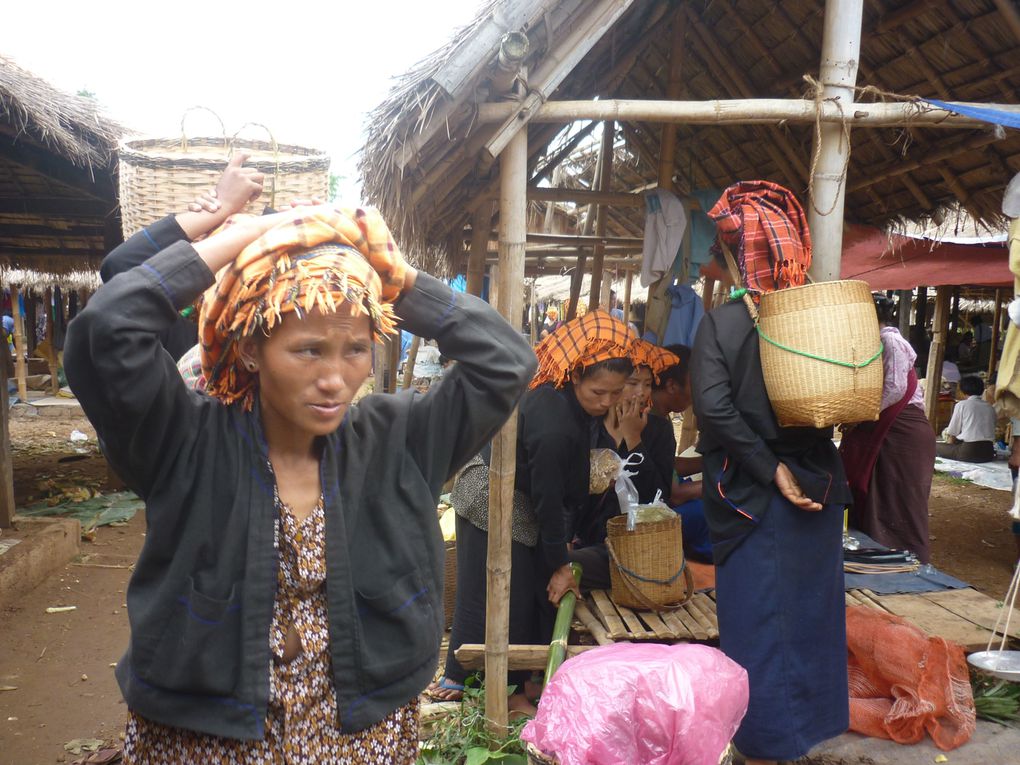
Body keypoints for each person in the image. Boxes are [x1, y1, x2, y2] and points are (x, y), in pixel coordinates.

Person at [64, 203, 535, 763]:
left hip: (361, 731)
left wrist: (398, 281)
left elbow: (507, 361)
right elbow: (108, 326)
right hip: (204, 733)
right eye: (308, 349)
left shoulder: (399, 440)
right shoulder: (182, 440)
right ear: (250, 350)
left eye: (356, 348)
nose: (335, 378)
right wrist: (248, 235)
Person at [692, 180, 851, 765]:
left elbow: (712, 408)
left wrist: (768, 468)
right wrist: (790, 464)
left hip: (755, 497)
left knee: (761, 623)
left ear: (740, 252)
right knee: (808, 618)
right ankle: (803, 734)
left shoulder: (725, 323)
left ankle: (763, 747)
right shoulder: (820, 312)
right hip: (817, 486)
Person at [431, 310, 634, 715]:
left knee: (521, 593)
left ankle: (519, 681)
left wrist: (558, 558)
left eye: (615, 393)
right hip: (491, 491)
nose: (607, 402)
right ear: (575, 376)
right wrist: (559, 563)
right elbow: (547, 500)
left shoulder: (573, 404)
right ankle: (468, 680)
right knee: (492, 591)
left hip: (522, 492)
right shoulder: (555, 421)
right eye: (598, 393)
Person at [98, 153, 265, 361]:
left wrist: (217, 209)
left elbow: (122, 266)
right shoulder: (197, 338)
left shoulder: (202, 360)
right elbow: (121, 268)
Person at [570, 338, 679, 589]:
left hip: (634, 547)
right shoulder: (589, 426)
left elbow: (659, 499)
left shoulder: (660, 431)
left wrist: (634, 440)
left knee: (566, 564)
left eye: (648, 385)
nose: (641, 392)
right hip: (586, 539)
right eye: (632, 383)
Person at [840, 297, 936, 562]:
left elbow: (894, 388)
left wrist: (859, 417)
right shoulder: (875, 341)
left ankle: (908, 555)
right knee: (880, 489)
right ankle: (880, 549)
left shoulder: (890, 341)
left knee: (901, 492)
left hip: (901, 430)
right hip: (889, 427)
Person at [648, 344, 713, 562]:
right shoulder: (657, 426)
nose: (696, 393)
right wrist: (720, 485)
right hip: (649, 517)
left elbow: (667, 464)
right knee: (710, 510)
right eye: (693, 384)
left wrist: (709, 463)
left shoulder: (655, 413)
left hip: (654, 500)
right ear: (672, 386)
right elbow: (675, 495)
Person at [937, 376, 997, 463]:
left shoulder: (962, 405)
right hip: (988, 453)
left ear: (962, 391)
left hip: (969, 452)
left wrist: (949, 446)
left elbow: (953, 431)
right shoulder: (990, 407)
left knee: (933, 446)